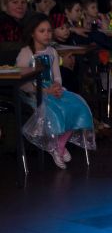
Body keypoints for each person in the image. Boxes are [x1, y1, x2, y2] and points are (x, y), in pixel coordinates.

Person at [16, 13, 95, 169]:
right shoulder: (26, 53)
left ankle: (60, 144)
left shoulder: (52, 51)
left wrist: (57, 86)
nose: (47, 34)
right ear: (32, 33)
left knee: (78, 106)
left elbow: (57, 76)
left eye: (49, 31)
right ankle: (54, 147)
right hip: (36, 93)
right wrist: (45, 91)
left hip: (53, 90)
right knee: (56, 112)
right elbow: (22, 83)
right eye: (42, 31)